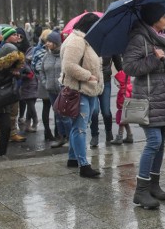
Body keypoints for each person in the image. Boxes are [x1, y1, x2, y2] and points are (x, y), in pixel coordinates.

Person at [123, 3, 165, 208]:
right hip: (148, 98)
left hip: (163, 97)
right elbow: (130, 67)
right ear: (155, 19)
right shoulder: (139, 39)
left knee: (160, 143)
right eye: (164, 16)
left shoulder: (163, 38)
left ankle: (154, 185)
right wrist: (154, 58)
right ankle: (141, 190)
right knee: (153, 142)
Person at [60, 13, 103, 178]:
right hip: (78, 90)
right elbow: (69, 66)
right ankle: (84, 165)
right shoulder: (76, 41)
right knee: (80, 127)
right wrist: (88, 76)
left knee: (79, 125)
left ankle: (72, 157)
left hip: (88, 89)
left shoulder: (85, 40)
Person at [38, 31, 69, 147]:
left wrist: (65, 84)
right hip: (51, 90)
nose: (47, 44)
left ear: (56, 43)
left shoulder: (64, 54)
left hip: (63, 90)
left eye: (50, 42)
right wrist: (45, 83)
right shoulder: (47, 55)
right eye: (47, 42)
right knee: (58, 115)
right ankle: (61, 137)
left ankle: (70, 138)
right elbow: (41, 70)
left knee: (65, 115)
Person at [110, 69, 133, 145]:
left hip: (123, 109)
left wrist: (120, 105)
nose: (117, 85)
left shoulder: (123, 91)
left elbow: (123, 101)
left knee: (121, 122)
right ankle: (129, 135)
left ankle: (119, 137)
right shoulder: (128, 87)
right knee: (125, 122)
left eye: (117, 83)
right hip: (126, 110)